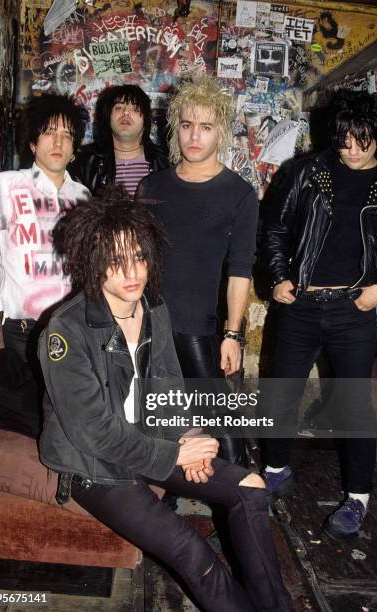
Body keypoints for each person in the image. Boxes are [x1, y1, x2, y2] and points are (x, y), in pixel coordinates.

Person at [38, 188, 292, 612]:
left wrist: (188, 436)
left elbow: (170, 389)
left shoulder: (154, 307)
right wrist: (173, 455)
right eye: (116, 262)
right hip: (94, 468)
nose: (132, 271)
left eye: (138, 256)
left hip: (150, 440)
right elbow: (95, 434)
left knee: (251, 488)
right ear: (93, 264)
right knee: (195, 553)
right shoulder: (65, 332)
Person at [260, 90, 377, 540]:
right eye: (343, 139)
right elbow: (273, 228)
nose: (351, 149)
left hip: (354, 309)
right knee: (280, 394)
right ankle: (276, 470)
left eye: (361, 140)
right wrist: (277, 278)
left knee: (353, 404)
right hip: (302, 304)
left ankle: (357, 498)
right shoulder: (307, 172)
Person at [137, 75, 259, 465]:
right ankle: (172, 489)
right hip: (148, 323)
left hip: (198, 326)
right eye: (187, 125)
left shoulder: (238, 193)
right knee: (162, 417)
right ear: (176, 127)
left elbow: (241, 270)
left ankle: (244, 490)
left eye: (205, 127)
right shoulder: (152, 186)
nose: (194, 136)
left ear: (219, 130)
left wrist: (233, 335)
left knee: (219, 418)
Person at [0, 94, 89, 364]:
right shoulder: (8, 186)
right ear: (33, 143)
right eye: (49, 133)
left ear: (74, 150)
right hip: (25, 331)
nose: (58, 142)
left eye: (67, 135)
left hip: (74, 326)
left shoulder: (83, 196)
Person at [70, 84, 168, 196]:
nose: (126, 112)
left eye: (135, 108)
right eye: (119, 107)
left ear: (146, 121)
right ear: (108, 117)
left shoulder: (165, 163)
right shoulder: (86, 163)